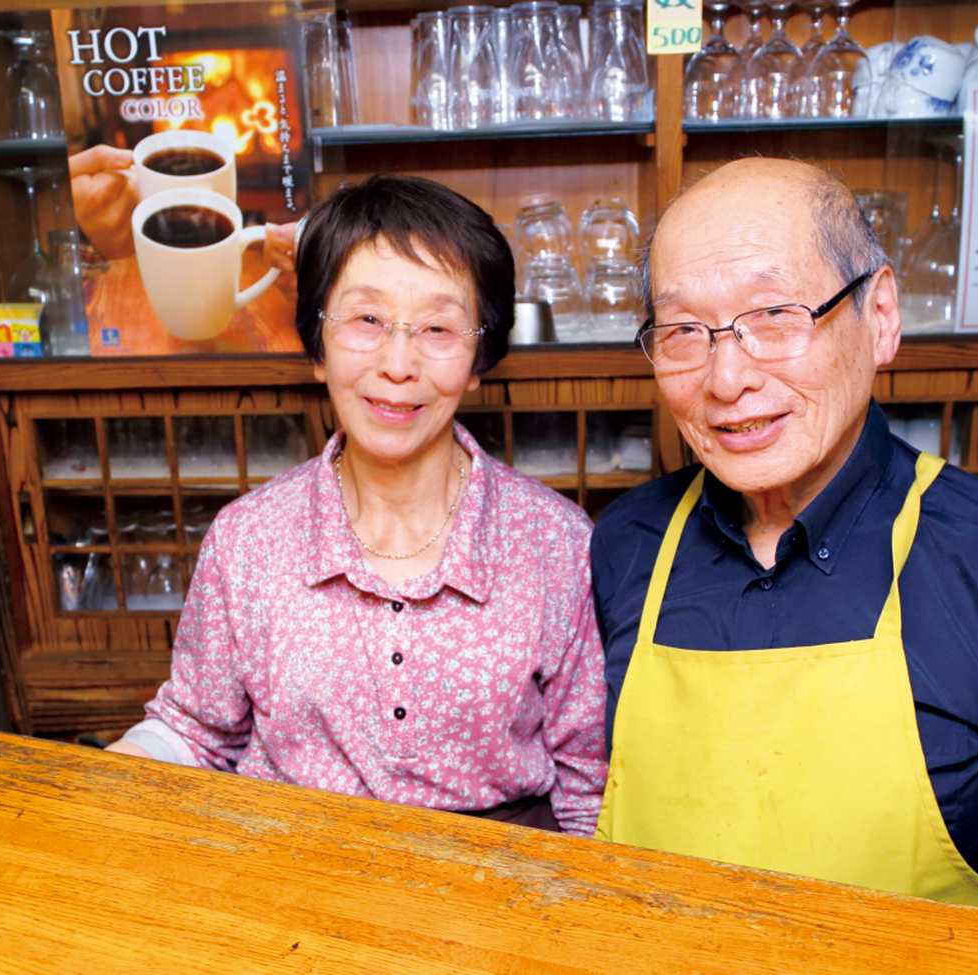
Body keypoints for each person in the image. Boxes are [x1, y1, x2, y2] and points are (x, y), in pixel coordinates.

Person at [590, 158, 978, 925]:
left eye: (775, 315)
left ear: (880, 314)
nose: (726, 379)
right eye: (684, 330)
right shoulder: (626, 543)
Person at [107, 175, 608, 836]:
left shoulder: (557, 542)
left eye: (437, 327)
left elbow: (588, 782)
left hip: (500, 886)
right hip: (291, 873)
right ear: (317, 344)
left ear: (479, 356)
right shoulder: (248, 539)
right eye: (367, 320)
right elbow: (198, 734)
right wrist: (96, 781)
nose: (398, 363)